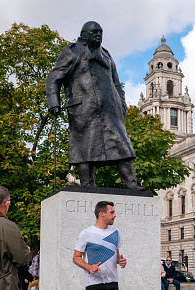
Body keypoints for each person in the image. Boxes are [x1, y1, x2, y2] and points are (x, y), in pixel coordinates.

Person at [46, 21, 144, 190]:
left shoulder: (106, 54)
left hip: (110, 111)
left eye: (100, 32)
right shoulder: (71, 51)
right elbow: (53, 78)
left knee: (123, 146)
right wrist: (54, 102)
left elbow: (117, 83)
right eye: (94, 32)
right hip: (83, 109)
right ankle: (87, 185)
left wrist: (121, 104)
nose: (98, 35)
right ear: (84, 35)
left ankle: (131, 183)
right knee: (85, 148)